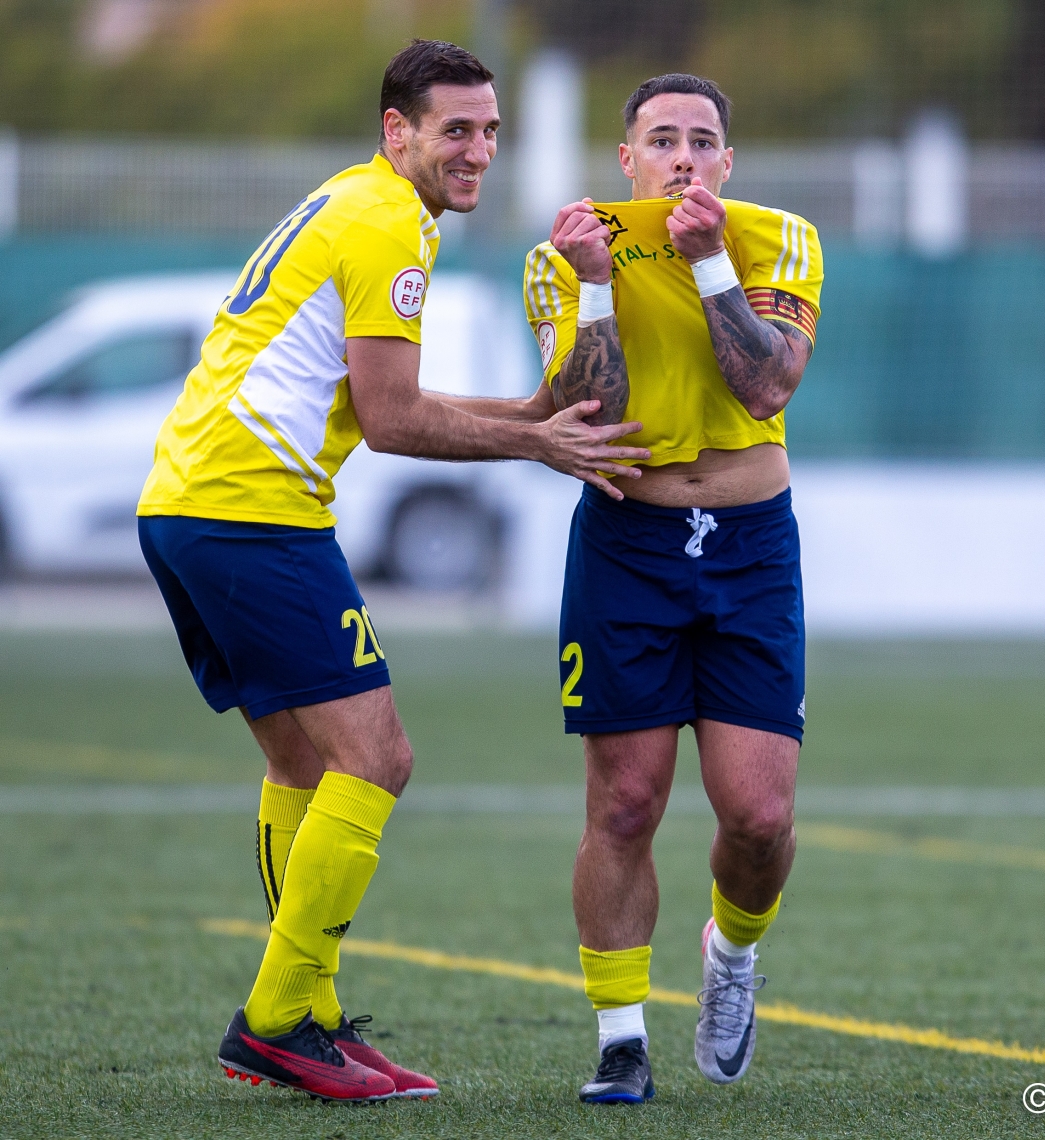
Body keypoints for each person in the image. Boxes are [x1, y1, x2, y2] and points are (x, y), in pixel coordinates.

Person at [136, 39, 649, 1105]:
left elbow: (382, 394)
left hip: (194, 505)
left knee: (305, 770)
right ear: (396, 130)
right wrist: (538, 443)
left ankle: (307, 1017)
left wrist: (530, 410)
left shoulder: (355, 203)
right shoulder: (387, 226)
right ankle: (277, 1022)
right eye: (455, 130)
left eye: (492, 131)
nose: (479, 152)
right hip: (249, 514)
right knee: (378, 760)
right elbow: (393, 421)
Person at [523, 73, 823, 1103]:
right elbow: (583, 412)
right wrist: (600, 282)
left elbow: (767, 385)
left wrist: (707, 268)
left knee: (759, 817)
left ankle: (731, 960)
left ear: (728, 163)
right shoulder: (565, 246)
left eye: (702, 140)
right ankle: (620, 1040)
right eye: (663, 139)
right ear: (628, 158)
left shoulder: (776, 236)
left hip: (750, 545)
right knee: (625, 803)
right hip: (628, 545)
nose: (683, 156)